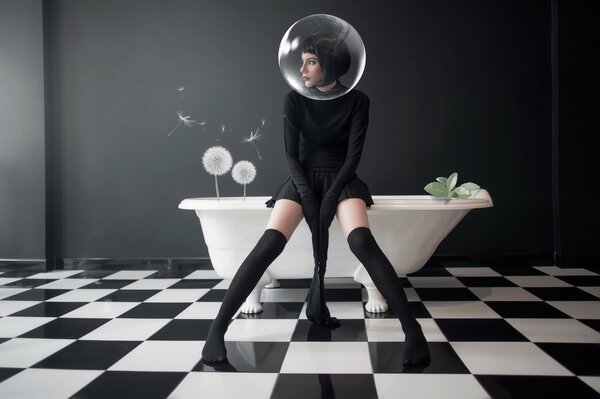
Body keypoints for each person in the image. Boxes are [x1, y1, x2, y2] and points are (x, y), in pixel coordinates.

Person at [201, 33, 430, 367]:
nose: (303, 69)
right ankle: (216, 331)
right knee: (269, 244)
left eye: (311, 61)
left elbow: (353, 158)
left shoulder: (358, 100)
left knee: (363, 242)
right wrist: (308, 196)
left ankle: (413, 332)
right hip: (301, 178)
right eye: (302, 61)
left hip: (342, 177)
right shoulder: (294, 99)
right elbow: (291, 155)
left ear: (331, 65)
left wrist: (331, 196)